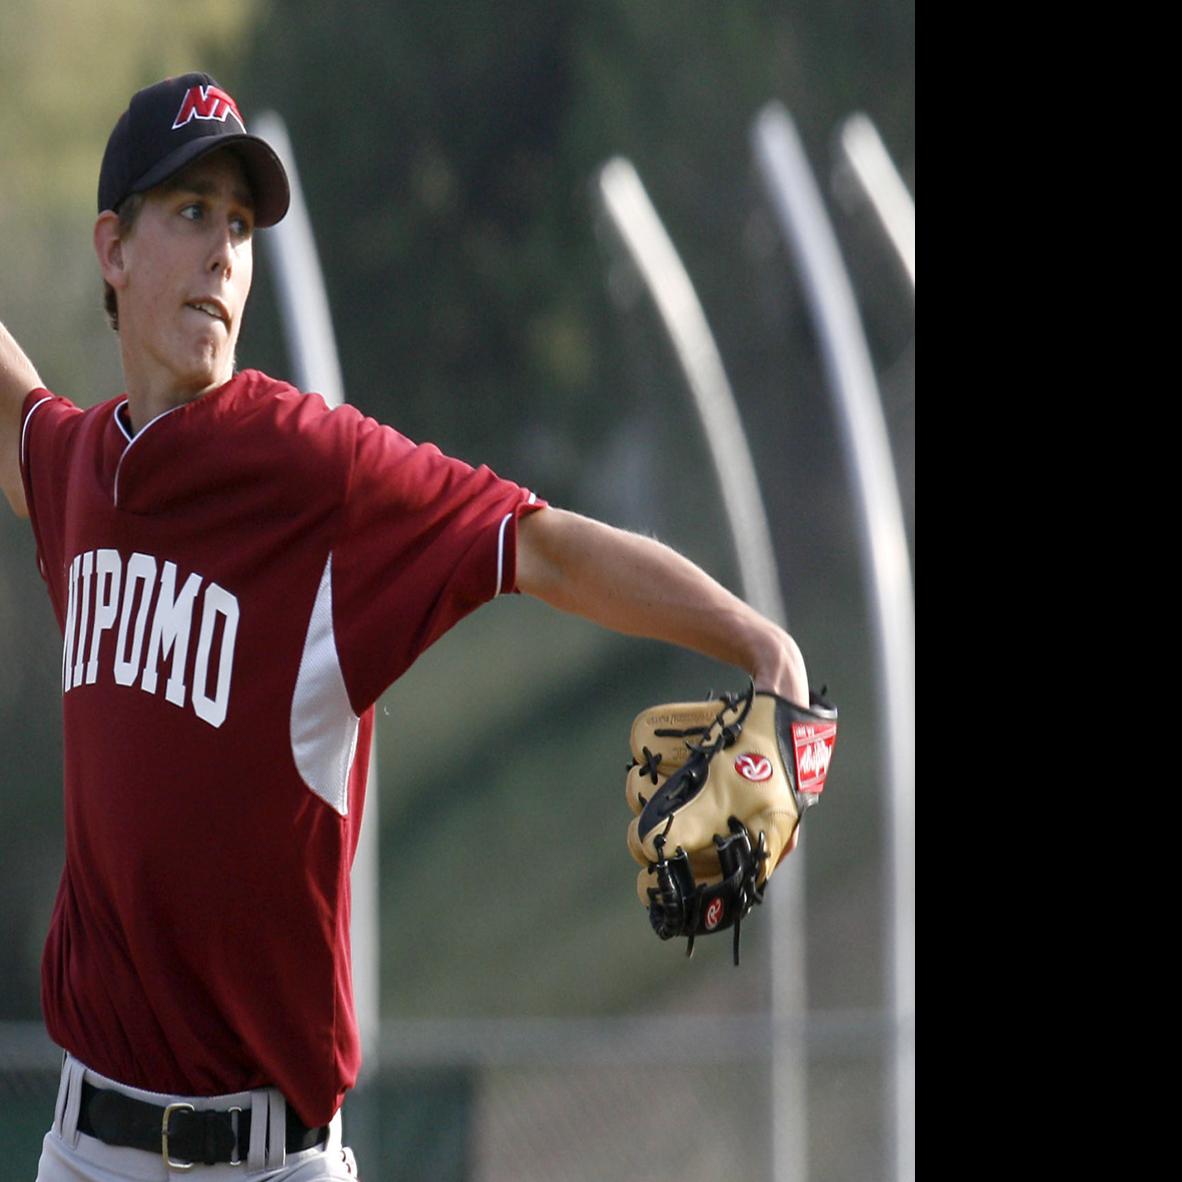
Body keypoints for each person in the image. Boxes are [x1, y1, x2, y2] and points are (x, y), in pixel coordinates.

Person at [0, 73, 810, 1180]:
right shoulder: (75, 472)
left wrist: (759, 645)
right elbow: (14, 400)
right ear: (113, 248)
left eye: (240, 225)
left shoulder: (315, 471)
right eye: (190, 212)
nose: (224, 253)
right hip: (86, 1151)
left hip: (270, 1159)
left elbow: (542, 545)